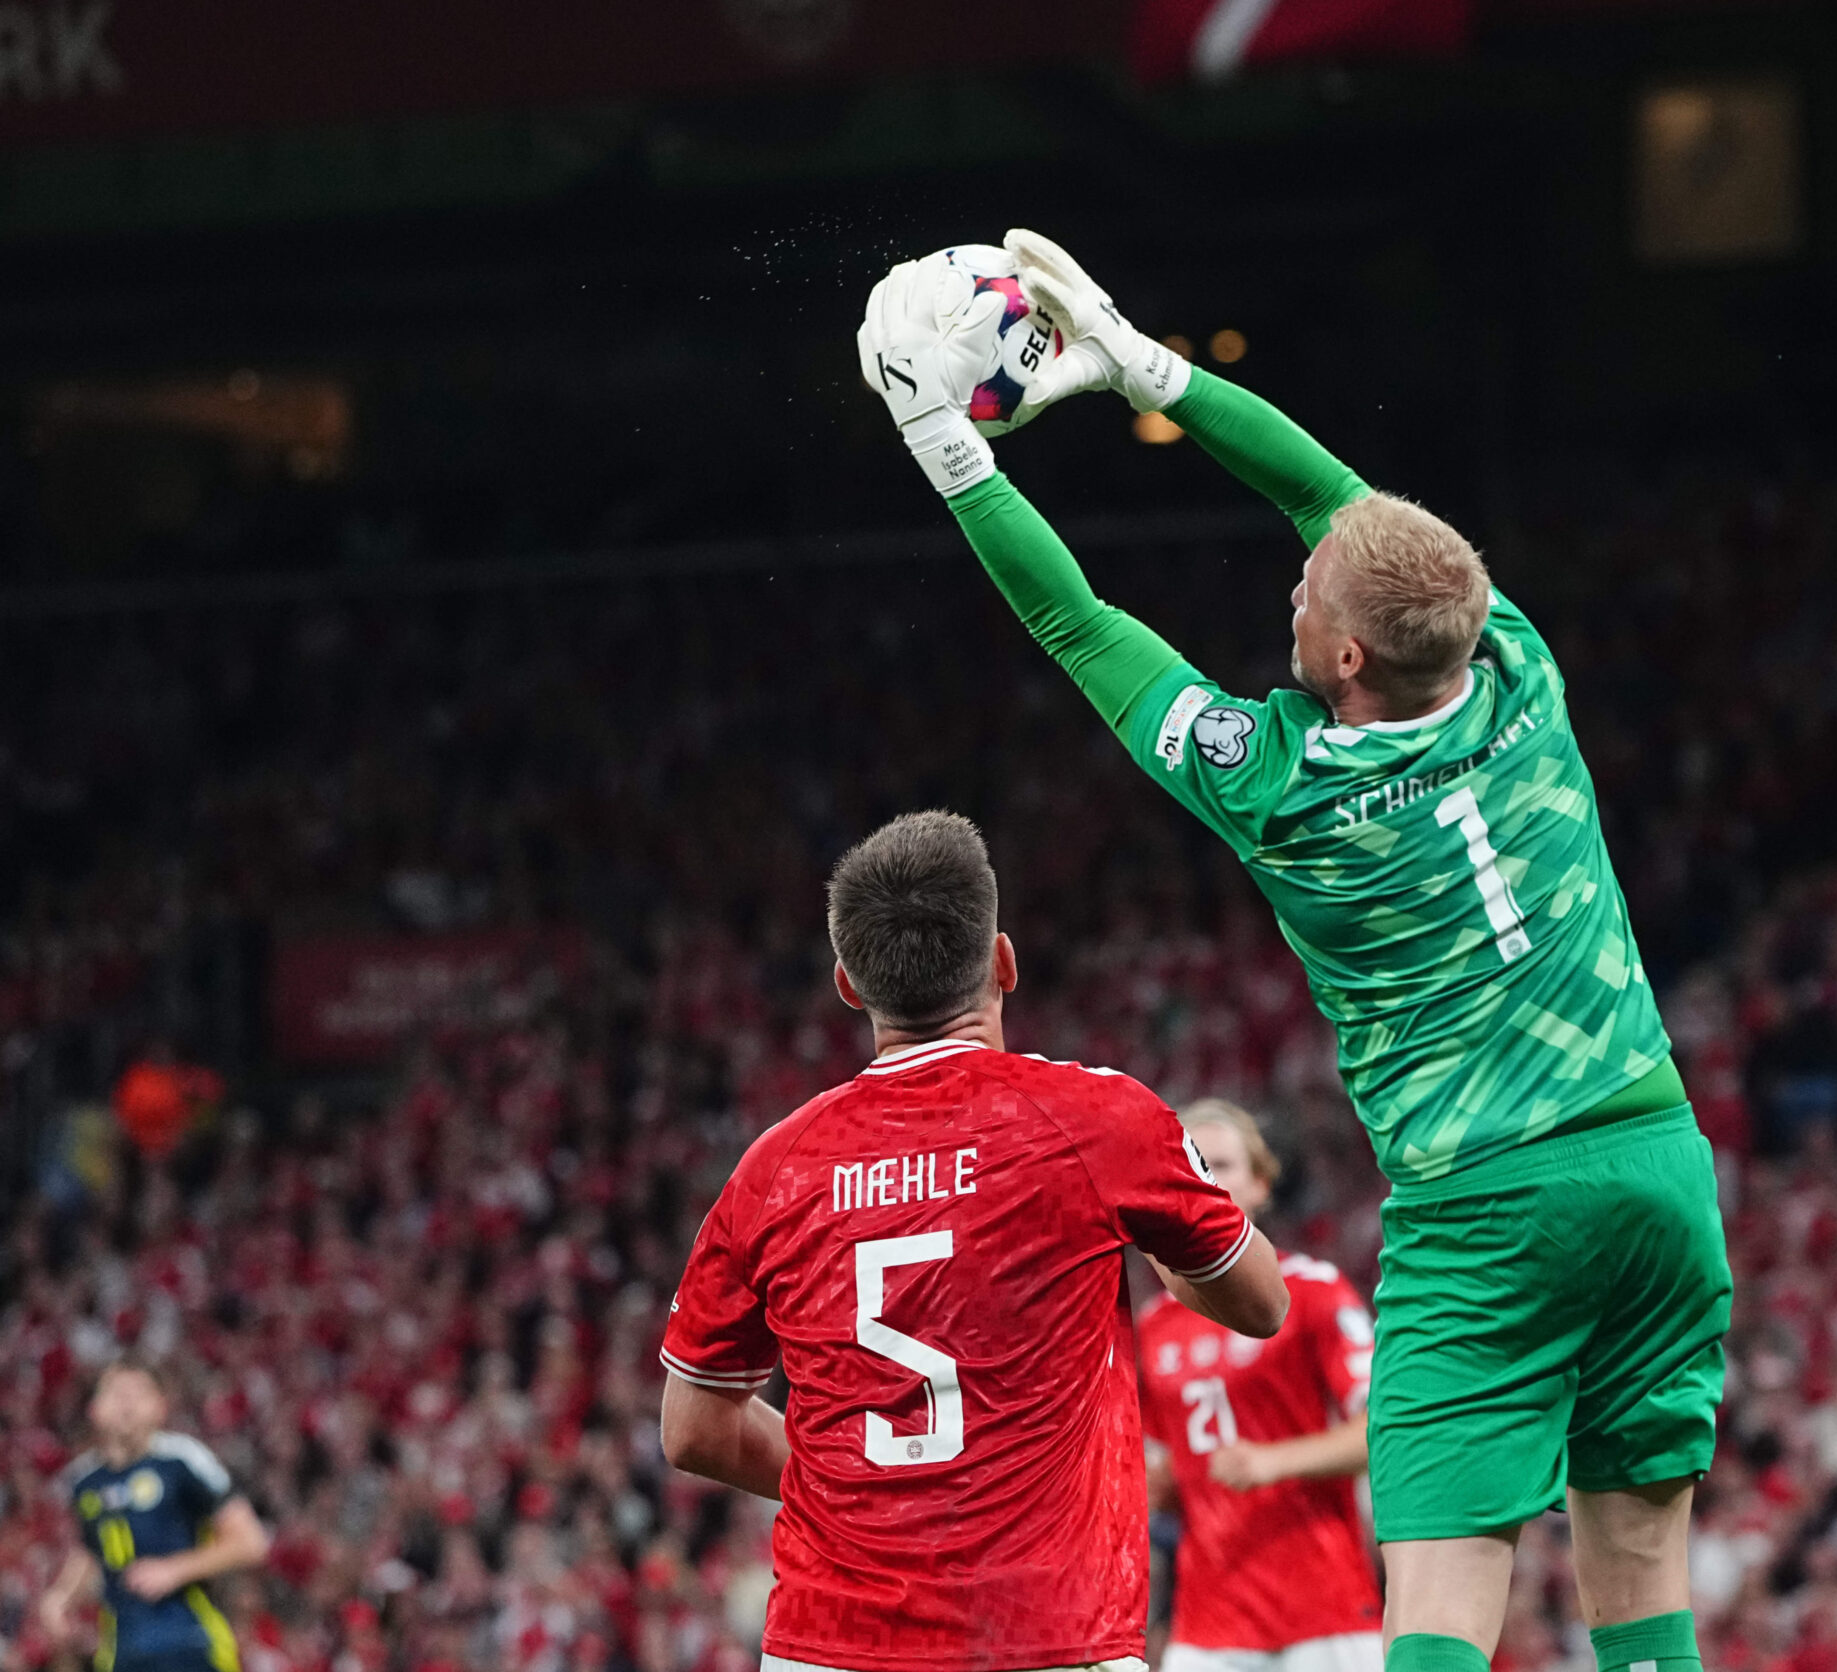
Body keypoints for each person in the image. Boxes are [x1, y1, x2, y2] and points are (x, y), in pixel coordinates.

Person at [858, 236, 1730, 1672]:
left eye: (1309, 596)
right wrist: (1148, 368)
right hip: (1656, 1168)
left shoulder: (1282, 789)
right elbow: (1336, 500)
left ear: (1341, 664)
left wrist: (946, 442)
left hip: (1487, 1208)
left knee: (1445, 1591)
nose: (1296, 584)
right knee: (1640, 1565)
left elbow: (1078, 622)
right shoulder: (1516, 662)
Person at [657, 811, 1289, 1672]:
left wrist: (858, 1492)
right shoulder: (1097, 1120)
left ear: (848, 983)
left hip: (831, 1644)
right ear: (1002, 961)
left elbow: (693, 1428)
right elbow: (1261, 1300)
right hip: (1048, 1636)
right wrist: (1176, 1256)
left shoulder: (775, 1167)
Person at [1138, 1100, 1382, 1672]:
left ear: (1261, 1185)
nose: (1204, 1179)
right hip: (1207, 1625)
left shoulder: (1315, 1292)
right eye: (1190, 1163)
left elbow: (1384, 1431)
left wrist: (1273, 1461)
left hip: (1324, 1612)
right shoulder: (1151, 1326)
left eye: (1220, 1164)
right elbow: (1163, 1472)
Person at [38, 1358, 271, 1672]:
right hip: (121, 1648)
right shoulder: (83, 1481)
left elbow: (251, 1542)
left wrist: (175, 1569)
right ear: (94, 1408)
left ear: (161, 1407)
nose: (128, 1402)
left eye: (140, 1392)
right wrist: (61, 1597)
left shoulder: (182, 1461)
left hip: (188, 1640)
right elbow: (93, 1551)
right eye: (117, 1392)